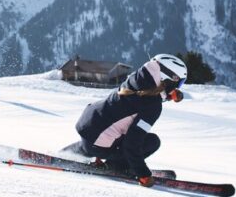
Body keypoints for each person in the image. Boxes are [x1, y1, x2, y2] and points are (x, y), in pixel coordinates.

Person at [64, 54, 188, 187]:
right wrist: (143, 174)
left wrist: (167, 94)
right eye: (179, 83)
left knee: (87, 146)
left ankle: (64, 155)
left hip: (90, 128)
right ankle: (116, 167)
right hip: (99, 143)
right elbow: (132, 143)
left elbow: (142, 98)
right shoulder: (153, 106)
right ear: (168, 78)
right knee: (152, 141)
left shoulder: (137, 79)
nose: (178, 87)